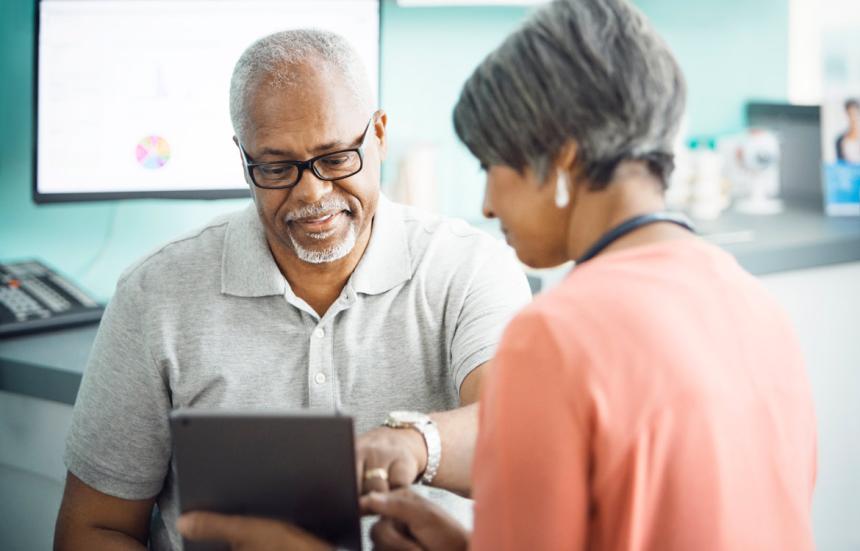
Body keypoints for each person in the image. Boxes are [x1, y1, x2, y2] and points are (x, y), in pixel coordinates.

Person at [185, 1, 817, 549]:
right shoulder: (753, 305)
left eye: (492, 165)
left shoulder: (558, 337)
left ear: (562, 156)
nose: (487, 204)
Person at [53, 29, 532, 550]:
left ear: (379, 134)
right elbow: (94, 528)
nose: (312, 193)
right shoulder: (155, 294)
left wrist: (419, 442)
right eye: (277, 168)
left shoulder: (470, 267)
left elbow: (518, 431)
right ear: (244, 159)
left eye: (335, 158)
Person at [836, 98, 860, 164]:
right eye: (850, 113)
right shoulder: (840, 140)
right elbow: (840, 163)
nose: (853, 117)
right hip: (849, 173)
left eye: (855, 113)